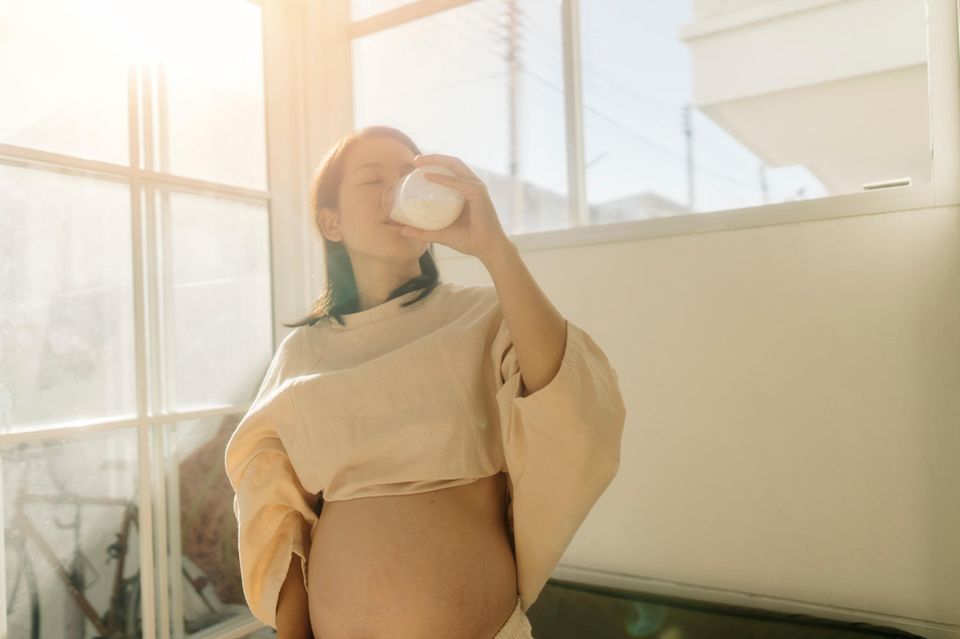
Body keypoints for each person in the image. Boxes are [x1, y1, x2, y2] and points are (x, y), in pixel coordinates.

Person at [223, 125, 626, 639]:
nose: (396, 191)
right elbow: (277, 520)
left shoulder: (480, 316)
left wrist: (493, 247)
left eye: (408, 177)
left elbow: (567, 399)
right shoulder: (303, 354)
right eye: (373, 181)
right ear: (332, 222)